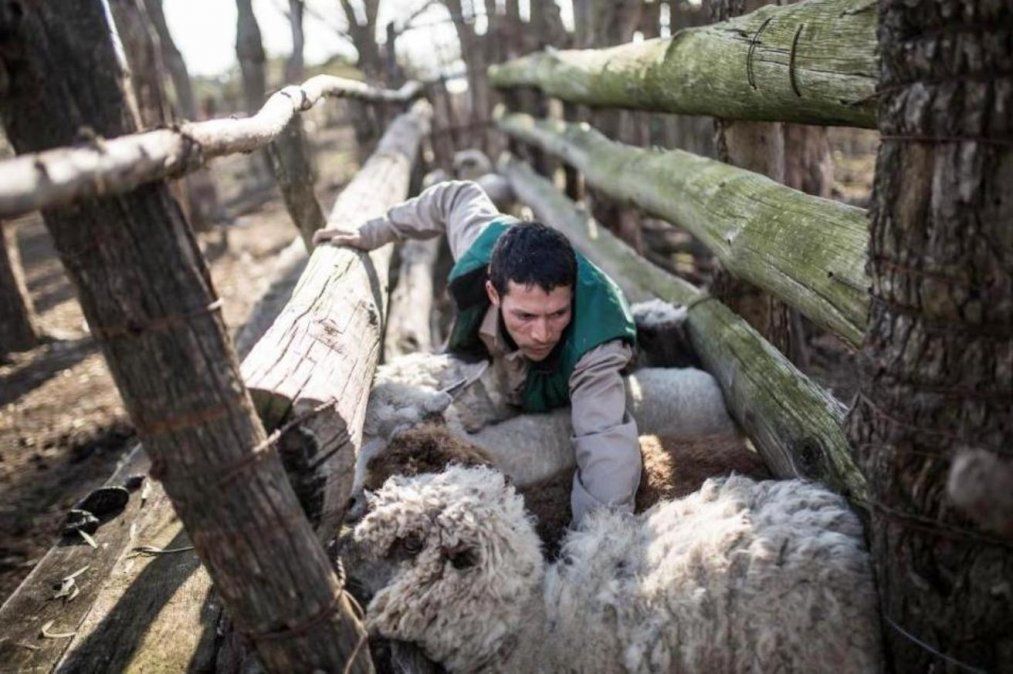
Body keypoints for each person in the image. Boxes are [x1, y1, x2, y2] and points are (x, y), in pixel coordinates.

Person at [314, 180, 640, 524]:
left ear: (572, 294)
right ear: (493, 293)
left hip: (564, 377)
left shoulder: (596, 345)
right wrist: (373, 232)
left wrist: (598, 543)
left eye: (558, 313)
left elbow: (604, 443)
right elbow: (454, 197)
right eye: (525, 316)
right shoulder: (481, 243)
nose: (542, 333)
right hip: (494, 358)